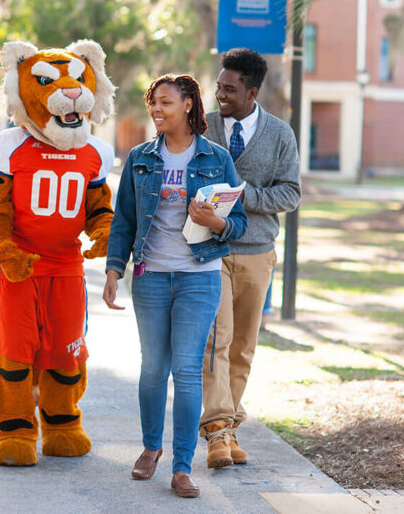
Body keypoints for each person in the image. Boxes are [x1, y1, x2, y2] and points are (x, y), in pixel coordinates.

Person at [103, 74, 247, 498]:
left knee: (186, 371)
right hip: (150, 277)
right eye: (153, 103)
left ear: (188, 105)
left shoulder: (216, 158)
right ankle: (151, 449)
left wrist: (216, 222)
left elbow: (237, 223)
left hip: (199, 279)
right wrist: (114, 270)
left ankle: (182, 467)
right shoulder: (140, 157)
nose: (156, 110)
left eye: (165, 102)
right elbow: (124, 219)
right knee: (152, 368)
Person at [199, 48, 301, 468]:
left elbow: (290, 193)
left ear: (252, 91)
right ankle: (218, 431)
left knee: (243, 346)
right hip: (212, 250)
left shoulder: (279, 135)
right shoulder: (201, 127)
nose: (219, 93)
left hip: (258, 253)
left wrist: (242, 197)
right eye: (219, 85)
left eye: (229, 88)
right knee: (215, 342)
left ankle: (228, 428)